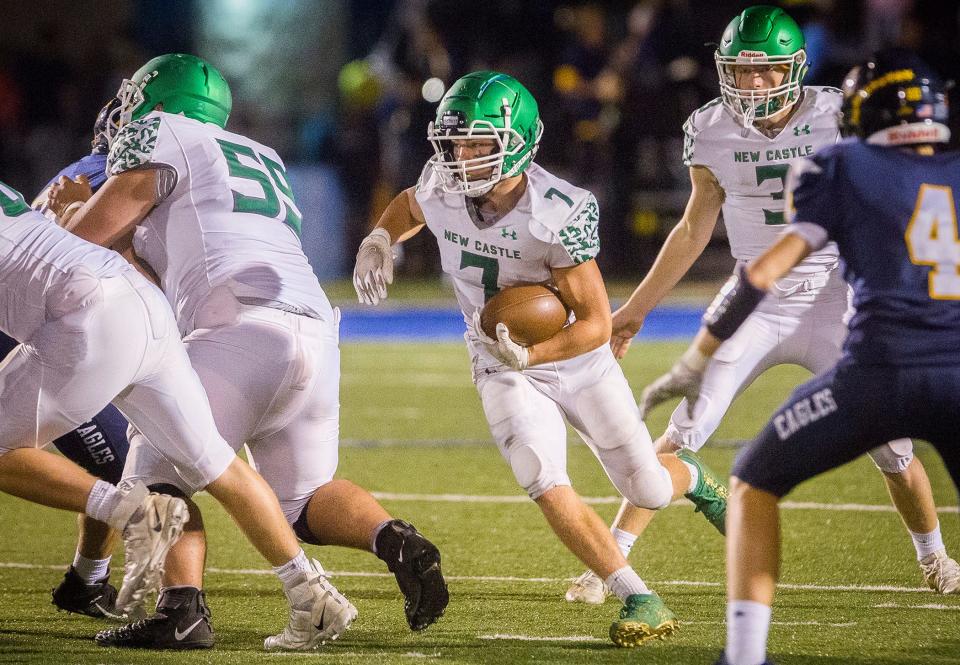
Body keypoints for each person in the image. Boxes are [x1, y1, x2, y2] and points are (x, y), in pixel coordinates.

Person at [48, 53, 448, 651]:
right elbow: (168, 269)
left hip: (235, 328)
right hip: (313, 330)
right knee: (302, 499)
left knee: (157, 472)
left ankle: (180, 610)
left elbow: (81, 244)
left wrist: (66, 212)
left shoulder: (161, 135)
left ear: (159, 106)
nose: (125, 113)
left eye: (135, 99)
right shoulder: (259, 155)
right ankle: (396, 540)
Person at [565, 4, 959, 605]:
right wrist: (636, 308)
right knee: (682, 432)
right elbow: (695, 226)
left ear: (794, 69)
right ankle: (611, 561)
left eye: (766, 71)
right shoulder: (710, 126)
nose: (752, 83)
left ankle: (935, 557)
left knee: (892, 445)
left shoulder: (839, 114)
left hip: (835, 295)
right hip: (754, 295)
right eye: (741, 71)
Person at [352, 69, 729, 647]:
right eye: (455, 141)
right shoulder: (443, 183)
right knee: (540, 472)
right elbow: (410, 204)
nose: (462, 156)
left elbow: (598, 324)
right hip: (497, 362)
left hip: (576, 360)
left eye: (480, 143)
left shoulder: (558, 210)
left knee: (649, 488)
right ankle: (639, 596)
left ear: (520, 143)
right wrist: (380, 239)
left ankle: (693, 476)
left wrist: (535, 351)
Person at [642, 49, 960, 665]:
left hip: (881, 370)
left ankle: (743, 654)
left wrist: (700, 351)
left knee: (752, 482)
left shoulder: (843, 165)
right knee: (898, 461)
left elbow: (764, 269)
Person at [0, 97, 133, 619]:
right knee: (126, 475)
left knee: (128, 468)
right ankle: (117, 531)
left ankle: (87, 581)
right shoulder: (110, 176)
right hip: (48, 332)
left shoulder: (91, 172)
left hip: (65, 326)